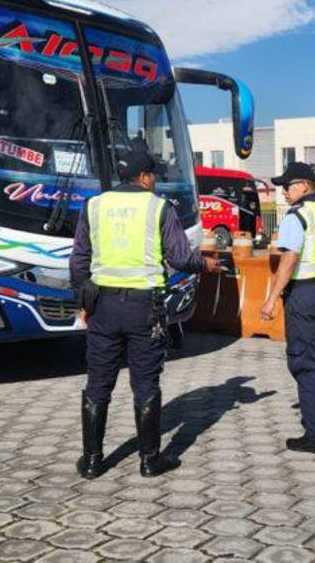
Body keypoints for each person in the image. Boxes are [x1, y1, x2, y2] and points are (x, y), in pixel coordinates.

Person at [69, 149, 222, 479]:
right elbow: (181, 258)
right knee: (145, 383)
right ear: (144, 177)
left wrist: (83, 299)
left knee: (98, 383)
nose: (155, 181)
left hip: (103, 309)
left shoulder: (93, 207)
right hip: (144, 309)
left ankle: (93, 461)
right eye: (154, 176)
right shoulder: (158, 207)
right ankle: (150, 461)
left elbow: (78, 261)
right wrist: (205, 263)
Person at [260, 161, 315, 455]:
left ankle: (314, 436)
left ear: (305, 186)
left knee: (305, 364)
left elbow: (289, 260)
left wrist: (272, 298)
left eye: (288, 185)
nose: (284, 191)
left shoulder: (298, 216)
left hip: (305, 295)